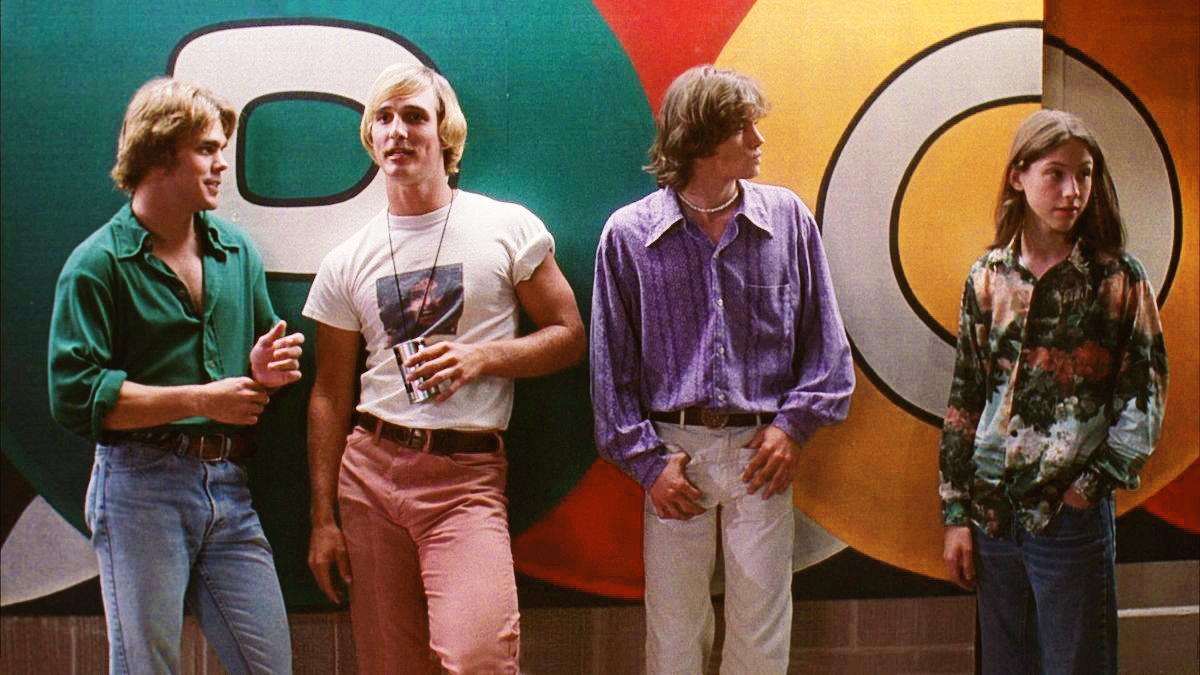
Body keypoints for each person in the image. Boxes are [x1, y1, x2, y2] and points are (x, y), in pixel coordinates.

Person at [303, 62, 585, 675]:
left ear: (444, 134)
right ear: (371, 137)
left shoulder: (504, 227)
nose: (397, 131)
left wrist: (481, 357)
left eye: (414, 116)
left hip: (466, 478)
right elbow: (328, 395)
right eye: (384, 118)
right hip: (370, 476)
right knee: (390, 666)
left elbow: (569, 337)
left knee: (480, 658)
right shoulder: (346, 259)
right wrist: (322, 518)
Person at [590, 65, 855, 674]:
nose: (759, 140)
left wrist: (792, 429)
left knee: (761, 638)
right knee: (673, 636)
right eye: (743, 128)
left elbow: (828, 347)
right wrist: (647, 464)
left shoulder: (786, 220)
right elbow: (610, 371)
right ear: (700, 138)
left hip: (762, 450)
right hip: (672, 452)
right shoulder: (629, 236)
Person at [47, 77, 304, 674]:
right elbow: (75, 396)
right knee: (147, 668)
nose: (222, 165)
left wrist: (264, 371)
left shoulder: (235, 251)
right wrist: (201, 400)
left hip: (229, 487)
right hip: (139, 488)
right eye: (207, 150)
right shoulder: (97, 265)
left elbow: (253, 366)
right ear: (161, 153)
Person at [939, 109, 1168, 674]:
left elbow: (1144, 397)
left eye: (1084, 175)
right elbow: (966, 399)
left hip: (1069, 516)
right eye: (1055, 174)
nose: (1073, 192)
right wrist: (956, 514)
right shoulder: (987, 277)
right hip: (993, 516)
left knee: (1076, 664)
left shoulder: (1118, 278)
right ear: (1018, 176)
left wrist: (1088, 489)